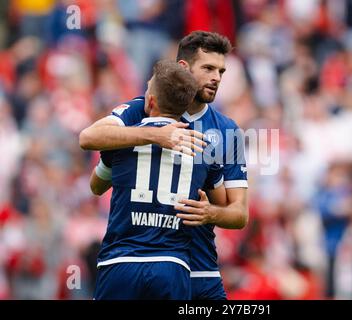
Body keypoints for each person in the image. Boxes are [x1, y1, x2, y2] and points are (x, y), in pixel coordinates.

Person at [80, 31, 249, 300]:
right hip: (163, 265)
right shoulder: (142, 109)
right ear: (183, 67)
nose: (216, 78)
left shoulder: (228, 131)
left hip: (200, 270)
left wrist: (210, 213)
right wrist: (156, 135)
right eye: (208, 68)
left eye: (221, 71)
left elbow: (239, 214)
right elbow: (88, 137)